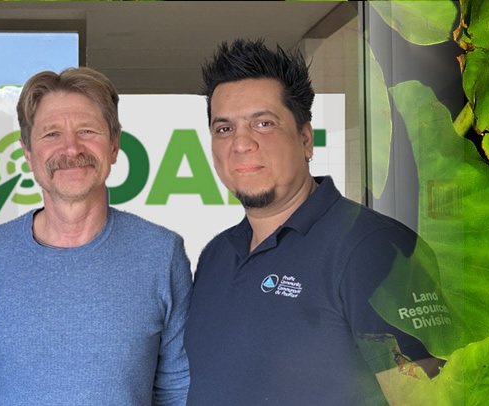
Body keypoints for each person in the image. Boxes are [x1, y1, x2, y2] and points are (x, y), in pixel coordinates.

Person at [185, 39, 435, 405]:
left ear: (305, 138)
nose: (241, 143)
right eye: (224, 129)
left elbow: (433, 393)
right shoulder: (215, 256)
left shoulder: (373, 248)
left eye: (264, 123)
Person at [0, 67, 191, 404]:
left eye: (87, 130)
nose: (71, 148)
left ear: (114, 145)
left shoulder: (161, 254)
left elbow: (177, 391)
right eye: (51, 134)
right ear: (28, 152)